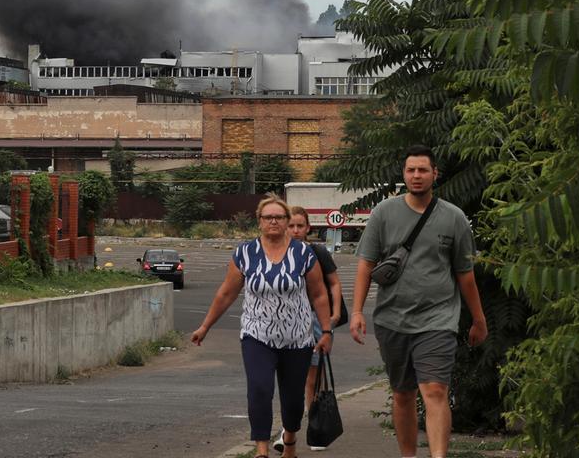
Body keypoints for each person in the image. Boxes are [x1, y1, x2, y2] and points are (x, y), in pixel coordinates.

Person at [349, 145, 487, 458]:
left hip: (438, 320)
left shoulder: (454, 218)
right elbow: (365, 265)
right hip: (392, 319)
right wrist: (357, 311)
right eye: (411, 170)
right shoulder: (384, 214)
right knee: (403, 394)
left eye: (423, 170)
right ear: (403, 174)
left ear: (435, 174)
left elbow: (465, 274)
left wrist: (478, 319)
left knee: (435, 390)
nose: (416, 176)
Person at [191, 196, 333, 458]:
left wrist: (326, 331)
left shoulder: (303, 254)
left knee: (292, 399)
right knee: (259, 388)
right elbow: (226, 293)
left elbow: (319, 294)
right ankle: (261, 450)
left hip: (298, 338)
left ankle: (289, 440)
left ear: (287, 222)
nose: (274, 222)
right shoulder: (245, 253)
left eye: (279, 217)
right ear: (259, 222)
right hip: (257, 335)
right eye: (268, 217)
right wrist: (205, 326)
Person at [286, 204, 343, 449]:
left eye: (300, 226)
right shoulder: (276, 253)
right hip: (286, 323)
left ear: (308, 227)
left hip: (316, 321)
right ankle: (288, 429)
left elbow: (334, 284)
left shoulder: (317, 252)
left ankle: (314, 427)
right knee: (289, 378)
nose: (296, 230)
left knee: (311, 378)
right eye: (291, 225)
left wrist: (336, 313)